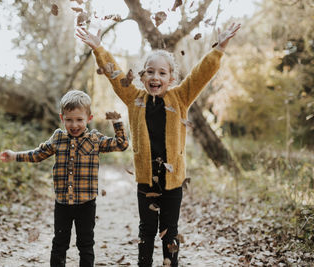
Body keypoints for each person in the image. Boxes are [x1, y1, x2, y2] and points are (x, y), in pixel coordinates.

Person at [76, 22, 240, 266]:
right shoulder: (134, 99)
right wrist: (98, 48)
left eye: (162, 73)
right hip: (146, 180)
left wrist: (220, 48)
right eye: (150, 72)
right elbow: (114, 74)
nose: (156, 77)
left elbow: (200, 74)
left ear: (171, 78)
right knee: (147, 230)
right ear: (142, 76)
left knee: (169, 231)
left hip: (173, 183)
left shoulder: (181, 97)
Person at [0, 90, 129, 267]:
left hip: (86, 204)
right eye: (69, 120)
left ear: (88, 118)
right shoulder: (58, 138)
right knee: (59, 243)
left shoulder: (94, 139)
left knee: (86, 244)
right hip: (62, 203)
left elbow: (121, 145)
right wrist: (15, 155)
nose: (74, 125)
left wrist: (117, 123)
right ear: (62, 118)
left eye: (79, 120)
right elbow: (38, 154)